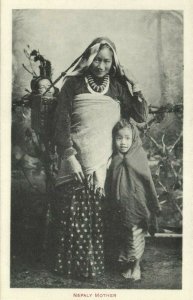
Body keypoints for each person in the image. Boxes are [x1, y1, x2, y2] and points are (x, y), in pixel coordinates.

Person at [51, 37, 148, 279]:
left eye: (106, 61)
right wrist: (70, 155)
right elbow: (60, 121)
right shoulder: (73, 84)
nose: (101, 66)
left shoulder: (117, 86)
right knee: (75, 213)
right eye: (97, 59)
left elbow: (140, 115)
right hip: (76, 158)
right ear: (88, 58)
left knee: (106, 211)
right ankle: (74, 268)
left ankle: (103, 264)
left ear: (113, 62)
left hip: (105, 162)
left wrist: (134, 82)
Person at [105, 119, 161, 281]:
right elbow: (110, 184)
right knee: (124, 237)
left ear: (134, 138)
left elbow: (148, 182)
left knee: (135, 237)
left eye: (127, 138)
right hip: (120, 207)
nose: (123, 142)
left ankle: (136, 267)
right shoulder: (115, 159)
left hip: (136, 206)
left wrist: (153, 205)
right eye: (119, 138)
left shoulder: (138, 157)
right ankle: (129, 265)